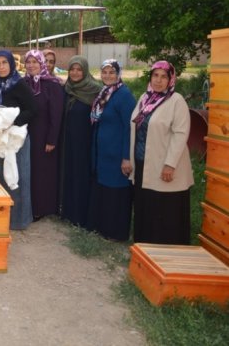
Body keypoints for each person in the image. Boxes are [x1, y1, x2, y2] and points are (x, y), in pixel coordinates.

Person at [130, 61, 193, 245]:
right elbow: (135, 128)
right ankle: (144, 246)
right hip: (143, 162)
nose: (158, 80)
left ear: (170, 79)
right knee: (146, 205)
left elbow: (180, 134)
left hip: (165, 164)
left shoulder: (176, 101)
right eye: (155, 75)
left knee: (164, 207)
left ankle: (166, 249)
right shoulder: (145, 98)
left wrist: (170, 164)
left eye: (163, 76)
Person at [0, 50, 37, 230]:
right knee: (2, 177)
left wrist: (11, 122)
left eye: (4, 63)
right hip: (0, 140)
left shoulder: (19, 84)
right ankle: (3, 218)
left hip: (17, 140)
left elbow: (32, 110)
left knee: (19, 178)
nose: (1, 67)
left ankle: (19, 220)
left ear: (11, 64)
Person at [87, 59, 136, 241]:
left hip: (117, 154)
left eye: (112, 72)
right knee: (105, 191)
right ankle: (103, 227)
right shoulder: (105, 93)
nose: (108, 76)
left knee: (116, 193)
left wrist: (126, 157)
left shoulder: (124, 95)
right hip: (103, 155)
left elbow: (129, 128)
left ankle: (116, 232)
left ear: (118, 74)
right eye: (105, 72)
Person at [59, 56, 102, 229]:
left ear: (85, 71)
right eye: (72, 69)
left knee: (82, 176)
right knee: (69, 175)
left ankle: (81, 215)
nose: (75, 73)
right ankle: (68, 212)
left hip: (85, 142)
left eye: (79, 70)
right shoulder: (66, 89)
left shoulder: (95, 91)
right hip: (67, 142)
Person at [23, 49, 64, 219]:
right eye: (28, 62)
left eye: (35, 62)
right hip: (26, 135)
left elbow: (56, 114)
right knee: (30, 170)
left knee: (42, 173)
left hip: (44, 136)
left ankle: (42, 208)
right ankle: (30, 206)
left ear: (41, 64)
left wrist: (51, 139)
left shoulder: (52, 85)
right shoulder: (23, 83)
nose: (32, 65)